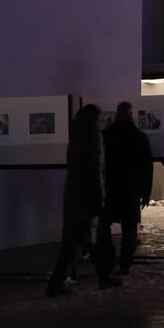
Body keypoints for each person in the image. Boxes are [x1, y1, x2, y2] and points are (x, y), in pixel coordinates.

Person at [47, 104, 120, 295]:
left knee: (75, 241)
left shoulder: (76, 134)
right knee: (94, 238)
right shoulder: (93, 135)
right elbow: (95, 171)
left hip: (74, 195)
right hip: (88, 196)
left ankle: (59, 283)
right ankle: (103, 278)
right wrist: (99, 200)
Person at [101, 102, 153, 275]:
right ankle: (125, 262)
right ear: (131, 114)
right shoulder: (139, 137)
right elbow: (147, 167)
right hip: (131, 187)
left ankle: (108, 259)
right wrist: (146, 191)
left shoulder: (105, 135)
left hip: (109, 186)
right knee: (129, 227)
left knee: (104, 224)